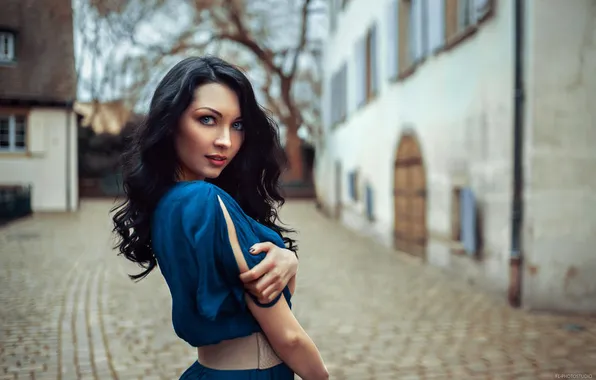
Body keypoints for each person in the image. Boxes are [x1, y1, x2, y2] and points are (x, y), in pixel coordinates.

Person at [110, 56, 328, 380]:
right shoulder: (204, 201)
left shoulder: (167, 203)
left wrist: (288, 261)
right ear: (171, 124)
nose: (225, 140)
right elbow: (288, 336)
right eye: (207, 119)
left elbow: (239, 297)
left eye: (237, 125)